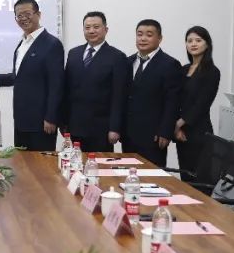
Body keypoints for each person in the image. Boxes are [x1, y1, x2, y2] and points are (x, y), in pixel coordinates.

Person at [0, 0, 64, 152]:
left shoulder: (52, 44)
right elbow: (19, 76)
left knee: (41, 163)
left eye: (27, 14)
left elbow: (57, 84)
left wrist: (51, 117)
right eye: (19, 16)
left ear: (38, 14)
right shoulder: (22, 44)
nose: (23, 19)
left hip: (42, 121)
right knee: (22, 162)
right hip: (21, 119)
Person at [61, 11, 128, 152]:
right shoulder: (74, 54)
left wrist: (115, 128)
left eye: (96, 27)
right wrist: (63, 121)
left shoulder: (117, 57)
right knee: (76, 162)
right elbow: (67, 90)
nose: (91, 31)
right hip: (75, 126)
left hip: (101, 129)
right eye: (87, 27)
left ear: (106, 29)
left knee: (99, 165)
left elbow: (119, 96)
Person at [122, 19, 181, 165]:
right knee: (128, 173)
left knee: (152, 175)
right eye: (139, 34)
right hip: (128, 134)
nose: (143, 38)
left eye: (149, 35)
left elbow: (172, 102)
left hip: (154, 136)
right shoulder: (127, 62)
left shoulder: (170, 64)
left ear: (159, 38)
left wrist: (165, 131)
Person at [174, 26, 220, 177]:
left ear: (207, 44)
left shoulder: (212, 71)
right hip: (181, 133)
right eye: (189, 41)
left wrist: (180, 123)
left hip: (199, 131)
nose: (193, 44)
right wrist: (177, 128)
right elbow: (175, 100)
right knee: (185, 178)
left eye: (198, 40)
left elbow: (202, 103)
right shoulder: (183, 69)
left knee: (200, 179)